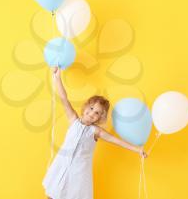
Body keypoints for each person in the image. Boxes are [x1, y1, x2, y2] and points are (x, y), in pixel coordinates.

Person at [43, 67, 148, 199]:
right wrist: (57, 78)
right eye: (91, 108)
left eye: (97, 113)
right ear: (86, 106)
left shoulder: (96, 131)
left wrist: (137, 149)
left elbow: (116, 140)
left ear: (100, 118)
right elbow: (64, 98)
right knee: (53, 193)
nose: (92, 113)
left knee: (72, 195)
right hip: (62, 166)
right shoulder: (73, 120)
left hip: (78, 173)